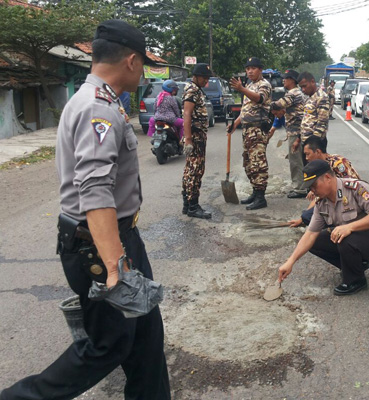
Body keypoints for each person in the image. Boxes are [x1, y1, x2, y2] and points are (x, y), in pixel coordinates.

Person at [0, 20, 171, 399]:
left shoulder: (96, 100)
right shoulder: (99, 110)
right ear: (130, 61)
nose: (142, 71)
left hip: (117, 238)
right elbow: (95, 191)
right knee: (106, 346)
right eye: (143, 64)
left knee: (146, 343)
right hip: (100, 248)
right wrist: (116, 268)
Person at [278, 160, 369, 296]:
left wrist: (349, 227)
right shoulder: (321, 202)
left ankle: (356, 280)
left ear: (327, 178)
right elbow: (310, 234)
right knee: (316, 242)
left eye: (314, 185)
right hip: (353, 241)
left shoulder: (355, 188)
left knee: (344, 237)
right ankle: (357, 265)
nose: (312, 190)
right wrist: (290, 262)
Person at [228, 57, 272, 210]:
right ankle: (255, 191)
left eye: (253, 68)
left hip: (258, 129)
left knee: (258, 163)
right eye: (248, 68)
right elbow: (245, 109)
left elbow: (259, 99)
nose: (250, 71)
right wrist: (235, 123)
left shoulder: (264, 85)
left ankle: (261, 197)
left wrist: (241, 89)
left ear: (260, 70)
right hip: (247, 129)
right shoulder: (249, 85)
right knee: (248, 162)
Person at [288, 135, 360, 227]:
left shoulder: (338, 163)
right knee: (307, 215)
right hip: (334, 200)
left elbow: (351, 190)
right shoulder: (319, 168)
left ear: (317, 152)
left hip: (349, 202)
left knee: (312, 217)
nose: (306, 158)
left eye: (308, 154)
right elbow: (319, 199)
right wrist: (301, 219)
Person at [181, 63, 213, 219]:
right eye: (204, 77)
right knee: (196, 170)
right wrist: (188, 139)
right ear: (196, 76)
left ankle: (187, 205)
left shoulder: (194, 89)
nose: (205, 80)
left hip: (196, 136)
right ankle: (193, 206)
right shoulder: (193, 90)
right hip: (195, 137)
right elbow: (187, 114)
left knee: (190, 170)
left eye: (207, 78)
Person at [270, 69, 307, 199]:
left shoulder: (293, 93)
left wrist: (265, 103)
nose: (283, 80)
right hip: (297, 131)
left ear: (292, 80)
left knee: (295, 161)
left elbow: (279, 104)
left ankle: (300, 189)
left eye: (285, 78)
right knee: (299, 160)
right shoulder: (296, 93)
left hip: (296, 132)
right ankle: (303, 186)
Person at [295, 72, 330, 164]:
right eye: (301, 87)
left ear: (312, 82)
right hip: (306, 143)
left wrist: (313, 146)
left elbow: (322, 123)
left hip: (315, 145)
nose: (303, 89)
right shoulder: (309, 98)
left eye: (305, 86)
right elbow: (305, 120)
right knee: (307, 173)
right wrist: (299, 139)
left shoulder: (321, 97)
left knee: (315, 173)